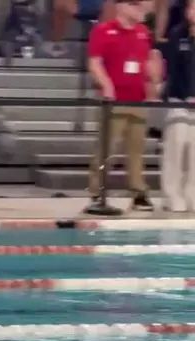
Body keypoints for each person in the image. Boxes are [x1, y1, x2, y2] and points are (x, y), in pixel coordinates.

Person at [85, 0, 158, 214]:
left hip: (138, 100)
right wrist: (106, 85)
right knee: (106, 149)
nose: (142, 10)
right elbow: (94, 62)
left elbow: (146, 61)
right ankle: (97, 192)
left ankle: (139, 193)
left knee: (136, 150)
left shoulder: (143, 32)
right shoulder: (103, 31)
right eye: (136, 6)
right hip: (115, 101)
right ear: (122, 6)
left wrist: (152, 84)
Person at [161, 0, 195, 210]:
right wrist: (187, 95)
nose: (192, 12)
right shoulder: (177, 34)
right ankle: (171, 195)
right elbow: (173, 71)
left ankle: (192, 194)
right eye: (190, 7)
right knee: (176, 147)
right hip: (178, 100)